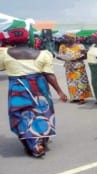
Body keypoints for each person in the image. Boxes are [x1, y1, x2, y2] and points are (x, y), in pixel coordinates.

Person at [0, 28, 67, 157]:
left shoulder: (4, 53)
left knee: (22, 115)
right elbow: (49, 75)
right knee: (42, 112)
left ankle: (33, 145)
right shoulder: (43, 54)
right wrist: (59, 91)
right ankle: (42, 139)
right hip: (40, 87)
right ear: (28, 38)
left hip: (18, 88)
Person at [57, 33, 92, 105]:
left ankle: (82, 98)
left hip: (79, 66)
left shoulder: (80, 46)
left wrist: (79, 57)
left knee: (80, 83)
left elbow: (85, 57)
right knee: (71, 83)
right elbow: (59, 56)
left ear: (73, 38)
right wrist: (64, 58)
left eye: (67, 38)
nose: (66, 39)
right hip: (69, 67)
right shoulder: (62, 46)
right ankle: (74, 97)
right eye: (65, 38)